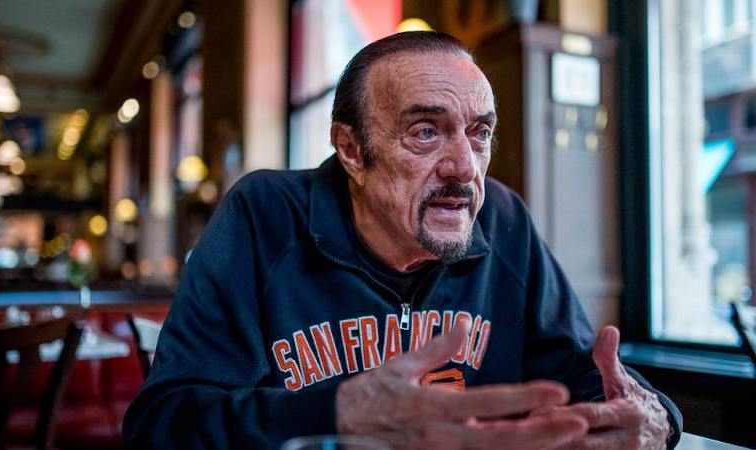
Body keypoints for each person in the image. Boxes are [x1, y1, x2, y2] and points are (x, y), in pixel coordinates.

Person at [123, 31, 681, 449]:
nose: (465, 167)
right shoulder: (264, 216)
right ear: (351, 150)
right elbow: (160, 422)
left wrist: (654, 417)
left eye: (480, 133)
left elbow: (583, 374)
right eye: (426, 132)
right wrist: (337, 413)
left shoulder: (503, 219)